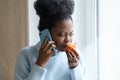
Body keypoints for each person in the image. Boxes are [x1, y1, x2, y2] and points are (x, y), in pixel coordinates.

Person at [14, 0, 86, 80]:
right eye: (62, 34)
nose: (68, 40)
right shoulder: (26, 55)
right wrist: (39, 64)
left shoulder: (76, 57)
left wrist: (75, 68)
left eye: (71, 34)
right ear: (46, 34)